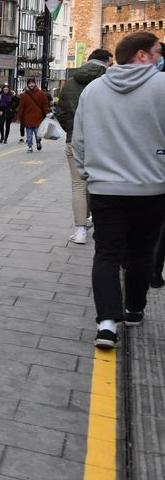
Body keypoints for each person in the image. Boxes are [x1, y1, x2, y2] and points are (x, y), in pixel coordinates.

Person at [72, 31, 165, 347]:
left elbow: (79, 139)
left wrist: (89, 173)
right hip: (152, 188)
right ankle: (135, 309)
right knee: (141, 252)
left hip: (105, 188)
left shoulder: (94, 90)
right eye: (156, 51)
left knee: (107, 254)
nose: (158, 57)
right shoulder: (162, 86)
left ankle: (108, 324)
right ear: (141, 55)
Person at [55, 48, 113, 245]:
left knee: (79, 185)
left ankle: (80, 230)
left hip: (74, 140)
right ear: (106, 62)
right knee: (102, 184)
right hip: (104, 142)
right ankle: (100, 223)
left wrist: (72, 130)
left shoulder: (70, 84)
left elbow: (61, 112)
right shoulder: (111, 82)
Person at [15, 79, 50, 152]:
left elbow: (45, 104)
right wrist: (18, 117)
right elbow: (21, 107)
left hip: (38, 116)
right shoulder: (24, 95)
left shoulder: (41, 93)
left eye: (33, 83)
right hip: (28, 117)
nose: (31, 85)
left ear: (35, 84)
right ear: (27, 85)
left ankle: (38, 141)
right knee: (29, 134)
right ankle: (30, 146)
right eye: (30, 83)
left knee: (38, 133)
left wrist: (47, 113)